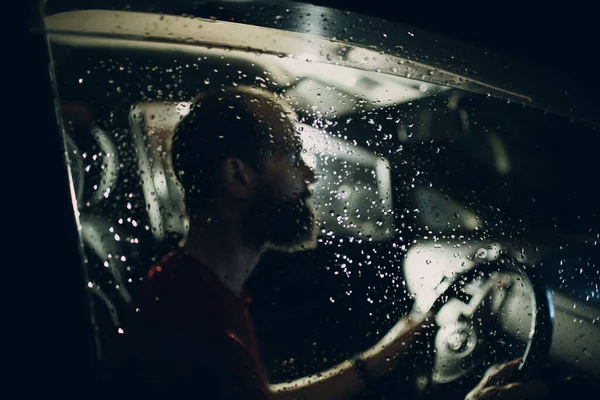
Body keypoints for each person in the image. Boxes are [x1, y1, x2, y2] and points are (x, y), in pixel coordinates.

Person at [125, 86, 548, 400]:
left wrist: (378, 358)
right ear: (238, 177)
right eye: (292, 157)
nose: (309, 177)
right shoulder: (192, 318)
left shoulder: (188, 287)